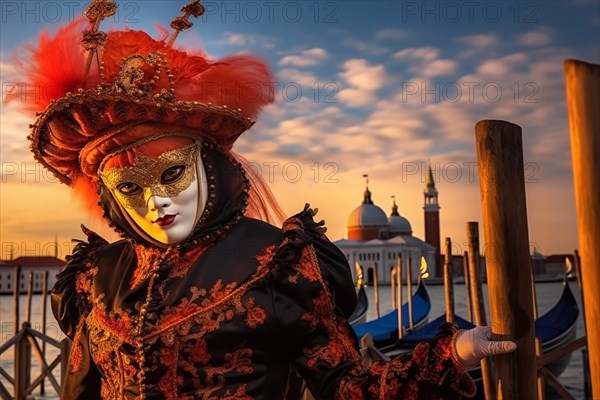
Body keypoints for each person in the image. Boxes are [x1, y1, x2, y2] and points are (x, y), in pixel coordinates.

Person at [11, 1, 516, 398]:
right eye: (129, 189)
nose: (154, 203)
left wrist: (454, 353)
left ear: (210, 166)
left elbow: (346, 389)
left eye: (171, 174)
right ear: (108, 197)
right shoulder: (96, 278)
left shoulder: (279, 264)